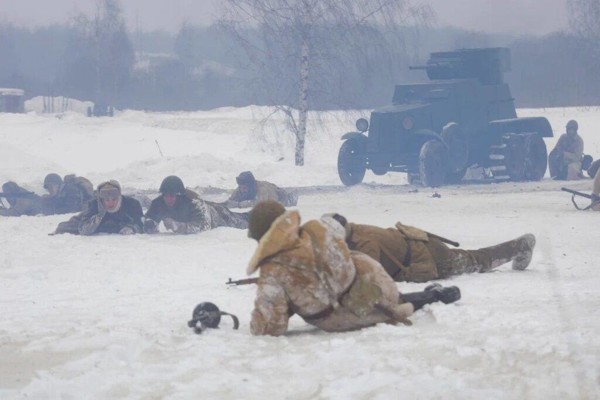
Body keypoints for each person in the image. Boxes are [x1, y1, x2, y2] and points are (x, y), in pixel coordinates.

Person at [246, 201, 460, 336]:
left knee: (375, 307)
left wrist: (286, 301)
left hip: (344, 316)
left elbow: (270, 326)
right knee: (389, 301)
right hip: (375, 285)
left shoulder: (273, 271)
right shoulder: (317, 229)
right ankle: (431, 296)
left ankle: (423, 298)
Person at [324, 214, 536, 283]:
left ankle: (520, 246)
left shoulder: (364, 244)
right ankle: (518, 247)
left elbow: (365, 277)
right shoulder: (353, 232)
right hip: (422, 247)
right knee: (475, 258)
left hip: (431, 257)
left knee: (478, 260)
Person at [143, 175, 249, 234]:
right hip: (209, 214)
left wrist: (179, 226)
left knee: (244, 222)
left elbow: (204, 225)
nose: (168, 199)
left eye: (172, 195)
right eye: (165, 195)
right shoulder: (159, 202)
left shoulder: (193, 202)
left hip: (217, 216)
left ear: (179, 196)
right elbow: (147, 218)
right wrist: (150, 224)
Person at [53, 180, 143, 235]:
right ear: (101, 200)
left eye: (114, 199)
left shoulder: (132, 204)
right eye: (107, 200)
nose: (111, 203)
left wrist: (132, 228)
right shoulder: (94, 205)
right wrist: (99, 216)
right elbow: (83, 229)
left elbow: (141, 222)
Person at [226, 171, 298, 208]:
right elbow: (231, 201)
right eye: (240, 187)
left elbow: (259, 204)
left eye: (244, 188)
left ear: (251, 187)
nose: (242, 190)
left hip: (279, 197)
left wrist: (239, 205)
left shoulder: (262, 190)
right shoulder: (241, 188)